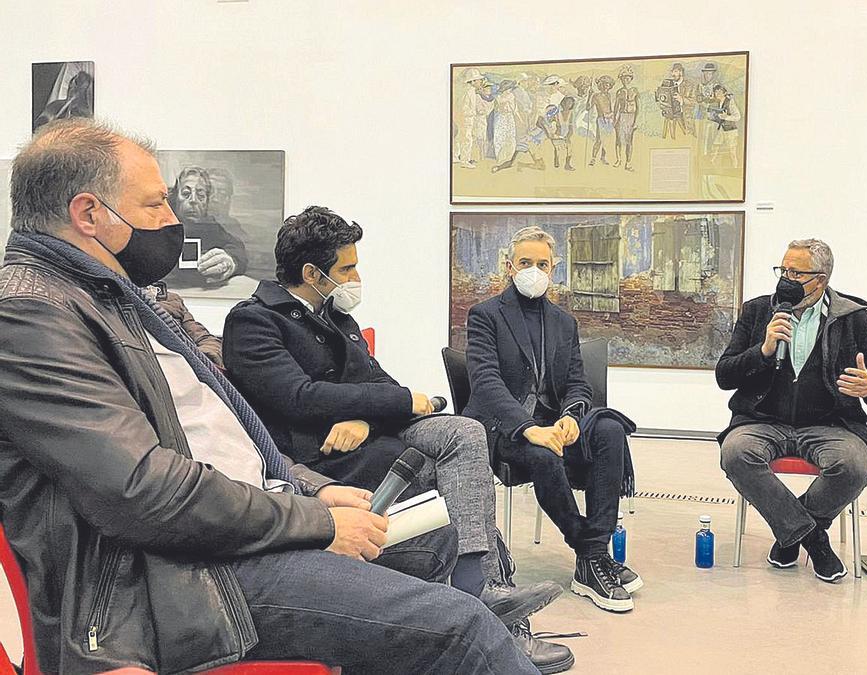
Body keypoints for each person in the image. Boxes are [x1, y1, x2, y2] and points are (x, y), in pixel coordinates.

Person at [0, 119, 536, 674]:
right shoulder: (31, 314)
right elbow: (142, 490)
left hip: (222, 531)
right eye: (157, 203)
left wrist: (314, 493)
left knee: (434, 545)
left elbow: (224, 438)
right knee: (465, 629)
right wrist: (313, 519)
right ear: (89, 215)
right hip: (170, 579)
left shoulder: (111, 298)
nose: (173, 221)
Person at [221, 207, 572, 672]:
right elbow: (299, 398)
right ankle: (492, 612)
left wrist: (368, 417)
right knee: (437, 474)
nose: (356, 275)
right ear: (312, 273)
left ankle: (482, 588)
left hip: (364, 434)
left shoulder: (334, 315)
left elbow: (382, 386)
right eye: (347, 267)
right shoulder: (254, 322)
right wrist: (391, 405)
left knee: (465, 434)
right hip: (320, 455)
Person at [465, 226, 640, 613]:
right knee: (544, 456)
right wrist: (530, 429)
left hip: (553, 425)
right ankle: (592, 553)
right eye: (525, 262)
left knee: (609, 429)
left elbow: (578, 383)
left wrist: (571, 417)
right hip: (505, 430)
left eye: (542, 263)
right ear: (509, 266)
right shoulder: (485, 316)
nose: (534, 270)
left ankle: (592, 557)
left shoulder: (564, 322)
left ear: (554, 268)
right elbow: (485, 383)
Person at [716, 239, 867, 583]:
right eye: (783, 270)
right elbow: (725, 375)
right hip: (761, 421)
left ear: (821, 279)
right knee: (736, 453)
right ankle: (811, 538)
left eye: (796, 272)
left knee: (855, 464)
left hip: (831, 425)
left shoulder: (854, 319)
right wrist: (764, 350)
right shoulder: (757, 312)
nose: (786, 279)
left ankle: (791, 534)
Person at [166, 166, 249, 286]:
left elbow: (238, 248)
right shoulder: (160, 227)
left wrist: (230, 262)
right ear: (175, 198)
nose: (193, 200)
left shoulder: (212, 228)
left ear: (206, 203)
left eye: (200, 195)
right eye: (186, 193)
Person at [613, 65, 639, 172]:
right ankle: (618, 159)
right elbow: (616, 107)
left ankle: (628, 163)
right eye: (624, 78)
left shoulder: (635, 91)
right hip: (621, 116)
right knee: (619, 139)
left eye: (628, 78)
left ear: (631, 79)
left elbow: (639, 107)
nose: (626, 80)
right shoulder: (619, 92)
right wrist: (615, 119)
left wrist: (636, 121)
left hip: (631, 117)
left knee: (629, 141)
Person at [589, 75, 615, 166]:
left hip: (609, 120)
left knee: (606, 141)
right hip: (601, 120)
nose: (606, 87)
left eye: (608, 85)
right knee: (599, 139)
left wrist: (612, 116)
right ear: (600, 85)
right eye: (604, 84)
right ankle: (593, 158)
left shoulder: (608, 95)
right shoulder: (596, 96)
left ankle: (603, 157)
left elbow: (610, 108)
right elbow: (588, 108)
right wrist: (589, 96)